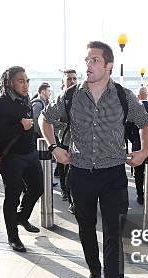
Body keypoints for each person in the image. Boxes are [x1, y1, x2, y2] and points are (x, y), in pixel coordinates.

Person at [40, 41, 148, 278]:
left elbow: (146, 121)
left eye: (94, 60)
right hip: (80, 174)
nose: (88, 65)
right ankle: (94, 271)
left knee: (114, 237)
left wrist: (144, 151)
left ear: (108, 66)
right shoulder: (70, 96)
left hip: (114, 175)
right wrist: (54, 147)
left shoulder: (124, 97)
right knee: (87, 229)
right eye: (86, 59)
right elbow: (45, 118)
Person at [0, 66, 44, 253]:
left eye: (27, 81)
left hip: (30, 153)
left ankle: (21, 217)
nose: (25, 84)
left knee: (38, 188)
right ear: (10, 82)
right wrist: (19, 126)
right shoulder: (1, 103)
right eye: (21, 81)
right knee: (12, 197)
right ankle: (13, 237)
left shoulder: (25, 99)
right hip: (12, 157)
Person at [55, 69, 78, 212]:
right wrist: (65, 126)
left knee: (75, 172)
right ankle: (68, 196)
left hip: (80, 142)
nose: (72, 81)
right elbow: (49, 120)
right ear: (63, 81)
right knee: (65, 170)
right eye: (69, 79)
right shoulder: (59, 98)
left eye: (74, 78)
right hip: (63, 139)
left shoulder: (82, 96)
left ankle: (75, 198)